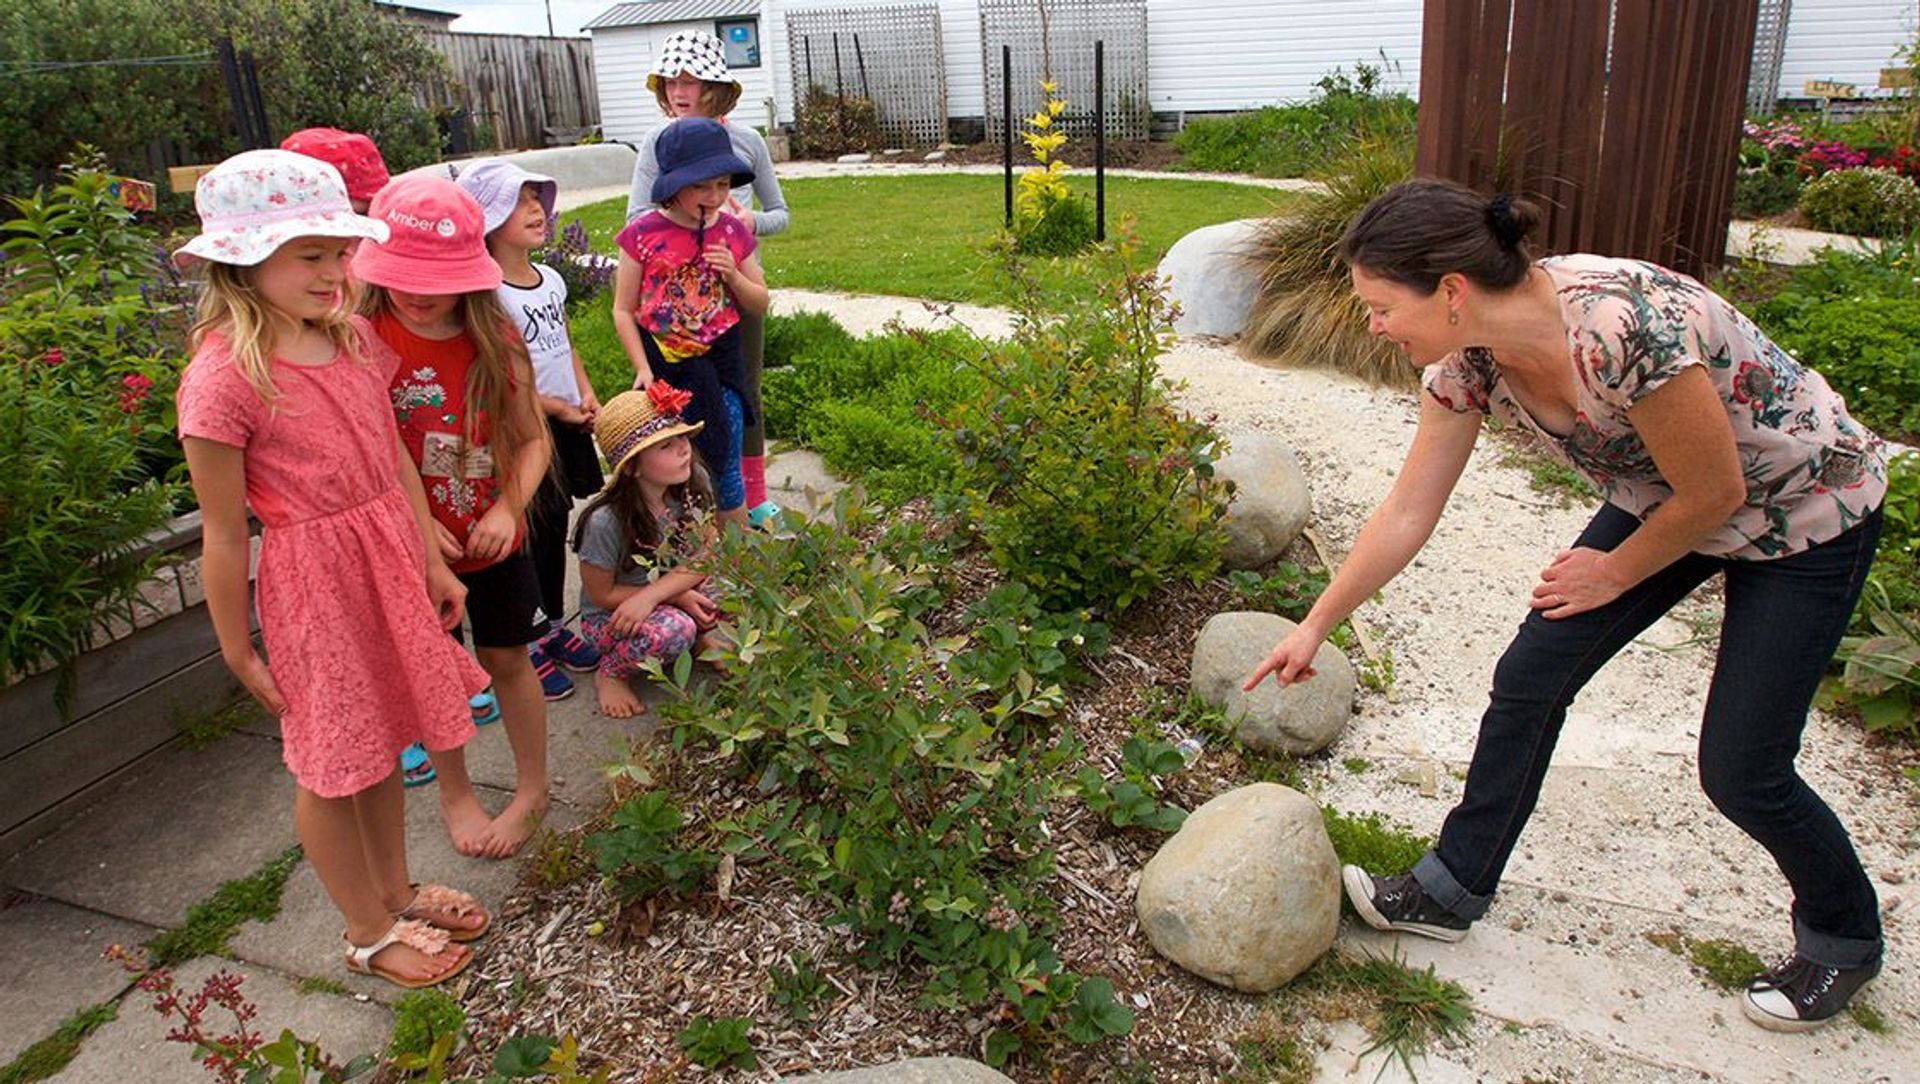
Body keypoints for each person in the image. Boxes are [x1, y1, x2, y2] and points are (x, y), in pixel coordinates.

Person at [1244, 179, 1890, 1033]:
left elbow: (1716, 489)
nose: (1371, 324)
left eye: (1378, 304)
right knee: (1532, 674)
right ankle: (1452, 886)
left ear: (1451, 290)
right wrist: (1317, 625)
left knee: (1743, 768)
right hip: (1664, 496)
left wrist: (1614, 572)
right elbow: (1407, 510)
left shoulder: (1625, 327)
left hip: (1805, 511)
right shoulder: (1466, 362)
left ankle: (1843, 938)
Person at [174, 150, 490, 989]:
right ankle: (363, 928)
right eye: (309, 254)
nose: (335, 270)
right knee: (332, 761)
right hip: (316, 584)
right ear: (244, 261)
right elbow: (222, 532)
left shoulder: (346, 339)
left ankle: (395, 891)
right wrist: (238, 650)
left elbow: (391, 457)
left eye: (339, 251)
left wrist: (432, 561)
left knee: (383, 740)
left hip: (385, 560)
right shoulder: (223, 379)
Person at [356, 175, 556, 859]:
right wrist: (413, 528)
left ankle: (533, 787)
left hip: (494, 535)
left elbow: (533, 441)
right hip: (412, 548)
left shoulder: (494, 335)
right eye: (403, 274)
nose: (417, 291)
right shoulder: (362, 338)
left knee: (508, 656)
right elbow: (364, 447)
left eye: (434, 276)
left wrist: (508, 506)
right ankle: (456, 792)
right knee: (434, 671)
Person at [625, 28, 790, 527]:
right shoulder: (658, 142)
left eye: (690, 79)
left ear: (715, 87)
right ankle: (694, 495)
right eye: (671, 79)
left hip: (734, 282)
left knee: (744, 392)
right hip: (676, 304)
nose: (678, 90)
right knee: (680, 399)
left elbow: (780, 214)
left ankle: (751, 497)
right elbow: (636, 218)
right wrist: (676, 219)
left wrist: (741, 223)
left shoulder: (748, 141)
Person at [457, 158, 605, 702]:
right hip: (524, 431)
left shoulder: (552, 280)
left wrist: (583, 392)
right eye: (520, 202)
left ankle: (552, 625)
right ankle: (530, 638)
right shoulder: (488, 293)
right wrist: (556, 408)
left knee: (555, 522)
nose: (537, 210)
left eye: (537, 198)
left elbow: (563, 345)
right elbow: (496, 377)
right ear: (488, 218)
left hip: (564, 423)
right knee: (527, 530)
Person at [613, 117, 769, 528]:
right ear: (673, 184)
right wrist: (643, 369)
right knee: (670, 470)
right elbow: (622, 309)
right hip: (663, 369)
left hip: (722, 366)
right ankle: (680, 564)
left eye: (722, 184)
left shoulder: (733, 231)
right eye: (702, 185)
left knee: (726, 467)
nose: (715, 195)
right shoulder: (642, 234)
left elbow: (760, 301)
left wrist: (733, 275)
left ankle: (738, 569)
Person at [572, 382, 723, 719]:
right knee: (673, 632)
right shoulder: (605, 521)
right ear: (632, 467)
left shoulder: (691, 483)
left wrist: (665, 595)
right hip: (614, 613)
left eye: (682, 437)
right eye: (666, 446)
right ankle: (611, 671)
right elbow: (600, 593)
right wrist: (666, 597)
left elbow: (711, 552)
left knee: (737, 584)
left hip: (660, 593)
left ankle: (701, 638)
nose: (683, 449)